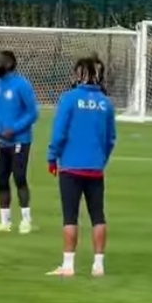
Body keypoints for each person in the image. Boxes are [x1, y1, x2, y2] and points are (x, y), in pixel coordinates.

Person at [46, 58, 116, 277]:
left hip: (71, 166)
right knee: (98, 215)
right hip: (95, 168)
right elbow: (110, 139)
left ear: (79, 75)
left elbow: (59, 131)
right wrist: (101, 160)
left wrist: (52, 157)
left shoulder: (69, 99)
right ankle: (98, 265)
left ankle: (68, 265)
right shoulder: (105, 103)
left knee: (70, 216)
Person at [0, 50, 39, 234]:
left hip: (20, 140)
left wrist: (14, 129)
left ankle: (26, 220)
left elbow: (33, 113)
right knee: (1, 179)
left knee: (19, 178)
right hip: (1, 142)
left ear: (7, 64)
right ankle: (4, 222)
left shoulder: (21, 85)